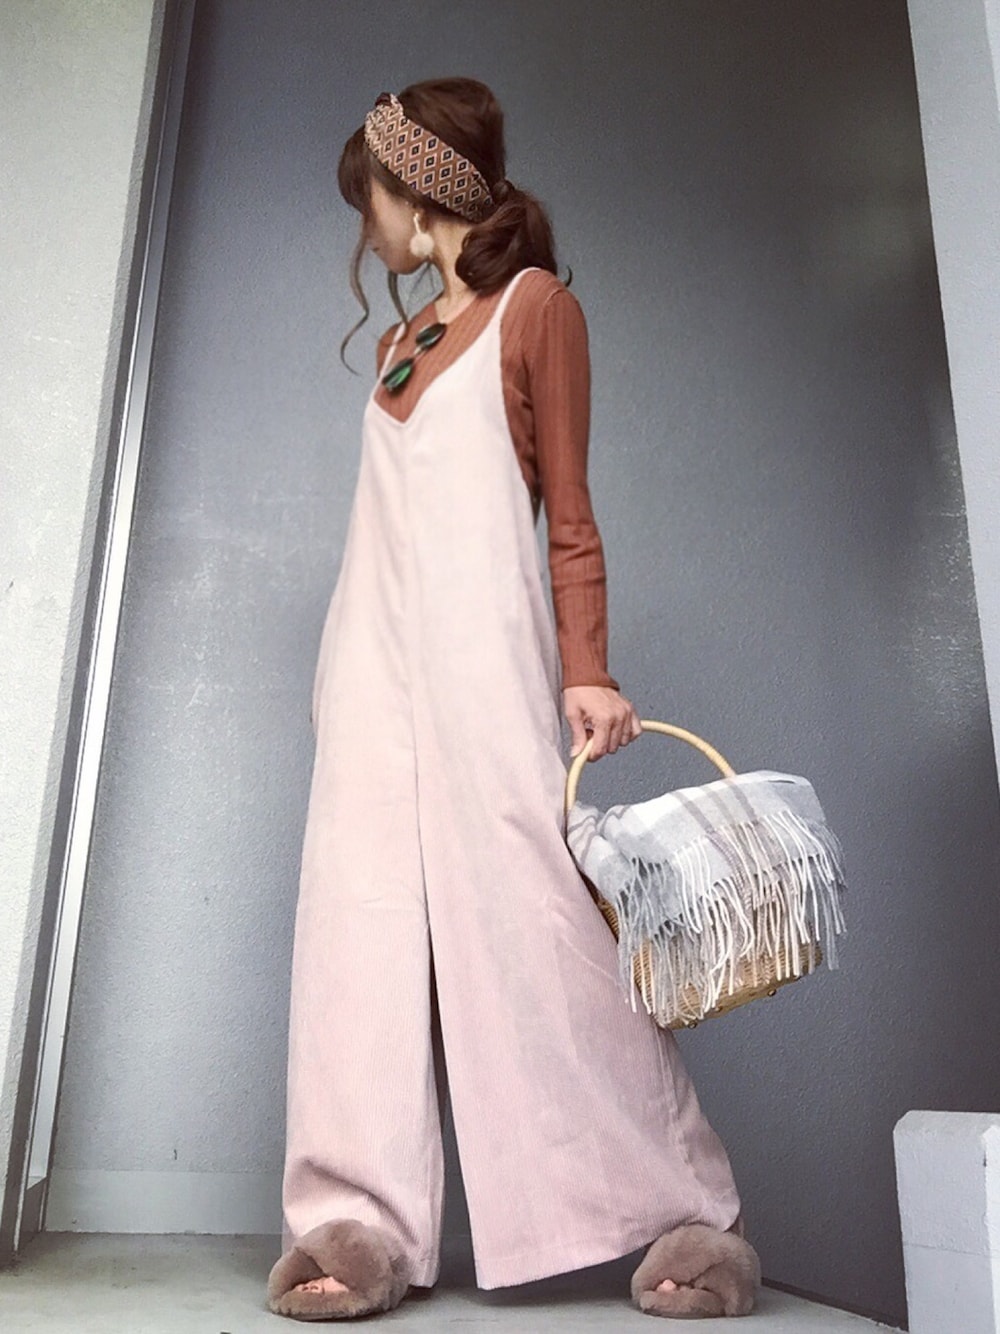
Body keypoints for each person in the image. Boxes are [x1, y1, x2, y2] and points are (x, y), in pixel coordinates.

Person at [266, 78, 760, 1322]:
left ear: (413, 192)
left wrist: (586, 668)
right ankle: (356, 1220)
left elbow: (569, 515)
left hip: (484, 667)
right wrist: (340, 686)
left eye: (368, 200)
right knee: (354, 934)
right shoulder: (403, 340)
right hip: (368, 677)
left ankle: (682, 1211)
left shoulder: (539, 311)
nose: (363, 228)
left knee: (540, 928)